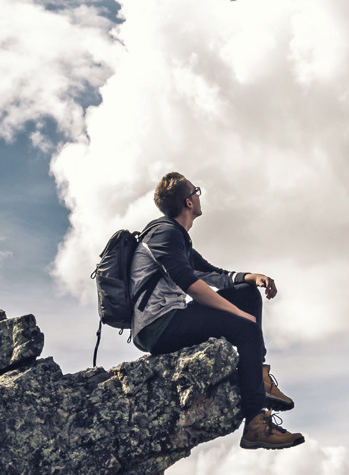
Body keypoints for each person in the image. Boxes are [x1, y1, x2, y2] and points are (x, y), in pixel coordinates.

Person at [130, 172, 304, 450]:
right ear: (188, 202)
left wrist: (251, 276)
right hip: (158, 327)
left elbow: (212, 274)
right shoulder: (164, 234)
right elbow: (191, 285)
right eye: (196, 191)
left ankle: (258, 374)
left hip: (169, 319)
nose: (199, 196)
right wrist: (237, 315)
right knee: (246, 328)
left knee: (246, 293)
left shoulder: (178, 238)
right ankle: (256, 424)